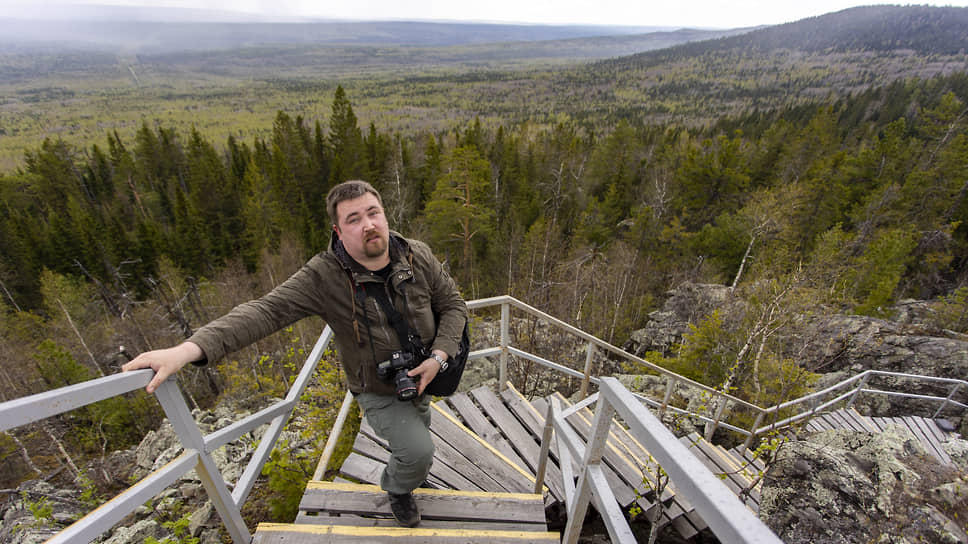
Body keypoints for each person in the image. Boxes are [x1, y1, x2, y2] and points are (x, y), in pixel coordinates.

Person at [122, 179, 468, 528]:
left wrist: (438, 356)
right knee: (418, 452)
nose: (368, 225)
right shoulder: (324, 277)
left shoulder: (416, 254)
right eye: (353, 219)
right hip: (378, 389)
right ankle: (398, 488)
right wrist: (187, 351)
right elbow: (265, 312)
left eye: (373, 213)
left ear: (384, 214)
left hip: (424, 372)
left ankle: (409, 469)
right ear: (338, 230)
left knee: (417, 428)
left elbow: (453, 305)